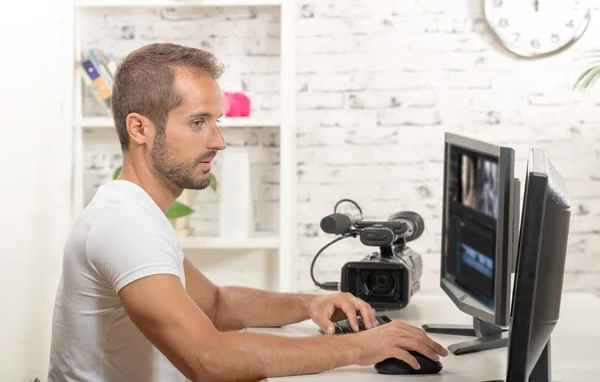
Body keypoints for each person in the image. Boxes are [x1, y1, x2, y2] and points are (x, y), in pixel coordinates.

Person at [48, 43, 448, 382]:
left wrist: (308, 304)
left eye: (215, 122)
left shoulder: (135, 212)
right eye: (198, 123)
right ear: (139, 129)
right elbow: (210, 359)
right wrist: (358, 347)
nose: (218, 141)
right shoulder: (125, 225)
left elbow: (218, 305)